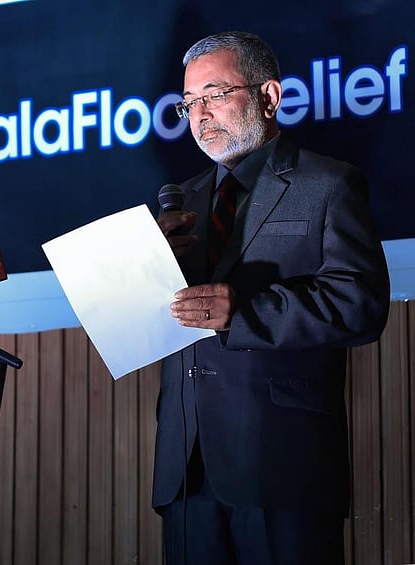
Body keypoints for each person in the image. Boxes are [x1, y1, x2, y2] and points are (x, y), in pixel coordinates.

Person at [155, 32, 390, 564]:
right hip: (187, 469)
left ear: (269, 96)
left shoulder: (327, 184)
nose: (200, 114)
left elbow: (360, 305)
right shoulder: (181, 201)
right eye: (190, 103)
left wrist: (242, 311)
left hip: (284, 464)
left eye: (215, 94)